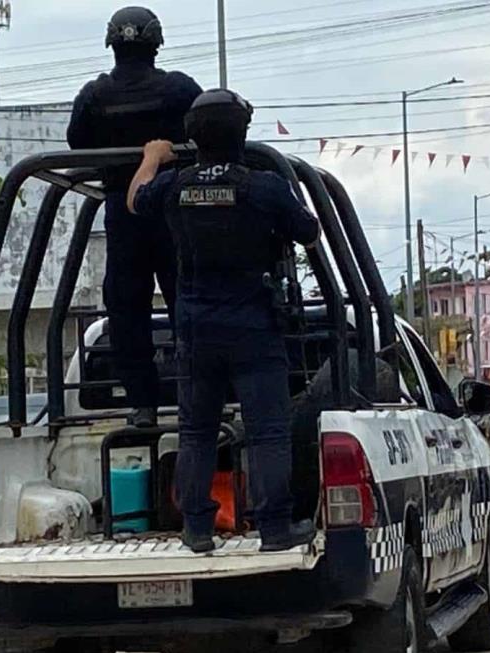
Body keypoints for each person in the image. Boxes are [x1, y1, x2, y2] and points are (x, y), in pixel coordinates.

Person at [127, 89, 321, 553]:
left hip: (196, 325)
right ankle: (273, 528)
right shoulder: (264, 186)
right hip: (253, 323)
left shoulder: (175, 186)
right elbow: (309, 230)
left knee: (195, 429)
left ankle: (196, 528)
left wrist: (153, 157)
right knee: (268, 430)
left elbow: (135, 201)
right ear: (243, 132)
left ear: (193, 135)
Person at [67, 7, 202, 428]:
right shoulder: (180, 90)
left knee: (126, 308)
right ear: (156, 43)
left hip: (122, 217)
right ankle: (197, 396)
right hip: (174, 214)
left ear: (113, 44)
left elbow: (77, 143)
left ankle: (143, 404)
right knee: (189, 303)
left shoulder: (93, 96)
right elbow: (208, 129)